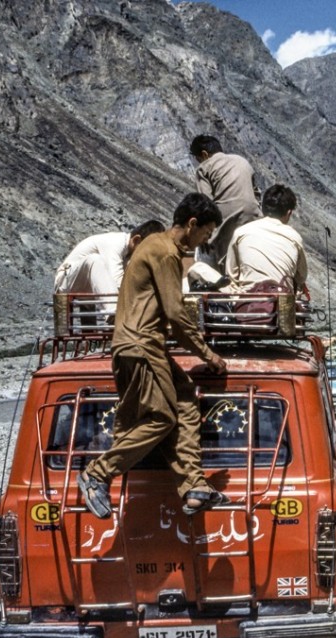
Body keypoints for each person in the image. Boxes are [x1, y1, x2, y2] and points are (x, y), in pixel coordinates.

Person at [77, 193, 229, 520]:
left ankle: (193, 484)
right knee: (161, 417)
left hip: (142, 344)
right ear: (191, 224)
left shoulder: (156, 247)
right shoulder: (164, 253)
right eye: (206, 233)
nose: (205, 240)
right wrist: (207, 353)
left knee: (186, 396)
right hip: (141, 345)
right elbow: (175, 313)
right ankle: (98, 472)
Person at [190, 134, 262, 267]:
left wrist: (203, 236)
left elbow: (206, 203)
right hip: (255, 216)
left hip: (228, 218)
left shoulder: (204, 167)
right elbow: (256, 193)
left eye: (198, 158)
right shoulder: (242, 161)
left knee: (210, 255)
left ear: (204, 154)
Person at [225, 183, 308, 296]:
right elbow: (301, 277)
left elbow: (231, 274)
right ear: (289, 213)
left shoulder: (240, 233)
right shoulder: (294, 237)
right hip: (281, 304)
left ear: (263, 208)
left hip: (246, 305)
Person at [53, 220, 165, 296]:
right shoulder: (114, 243)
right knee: (94, 260)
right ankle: (113, 313)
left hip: (88, 285)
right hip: (66, 282)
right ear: (136, 240)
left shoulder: (129, 253)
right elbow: (117, 282)